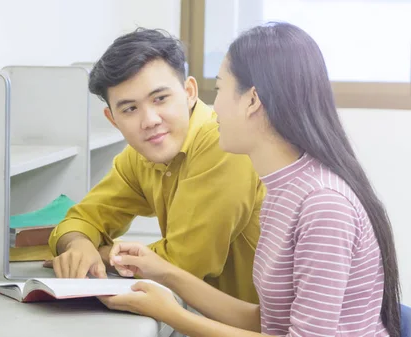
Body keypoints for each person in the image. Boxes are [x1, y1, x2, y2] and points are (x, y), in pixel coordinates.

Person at [98, 22, 402, 337]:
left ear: (252, 100)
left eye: (218, 91)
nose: (212, 109)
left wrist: (172, 314)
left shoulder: (323, 204)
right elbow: (270, 321)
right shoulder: (284, 190)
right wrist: (165, 273)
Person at [46, 27, 266, 304]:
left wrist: (101, 253)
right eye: (129, 109)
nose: (149, 120)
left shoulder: (223, 145)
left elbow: (183, 264)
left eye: (160, 99)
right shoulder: (139, 156)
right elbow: (82, 218)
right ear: (113, 119)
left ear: (189, 92)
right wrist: (78, 245)